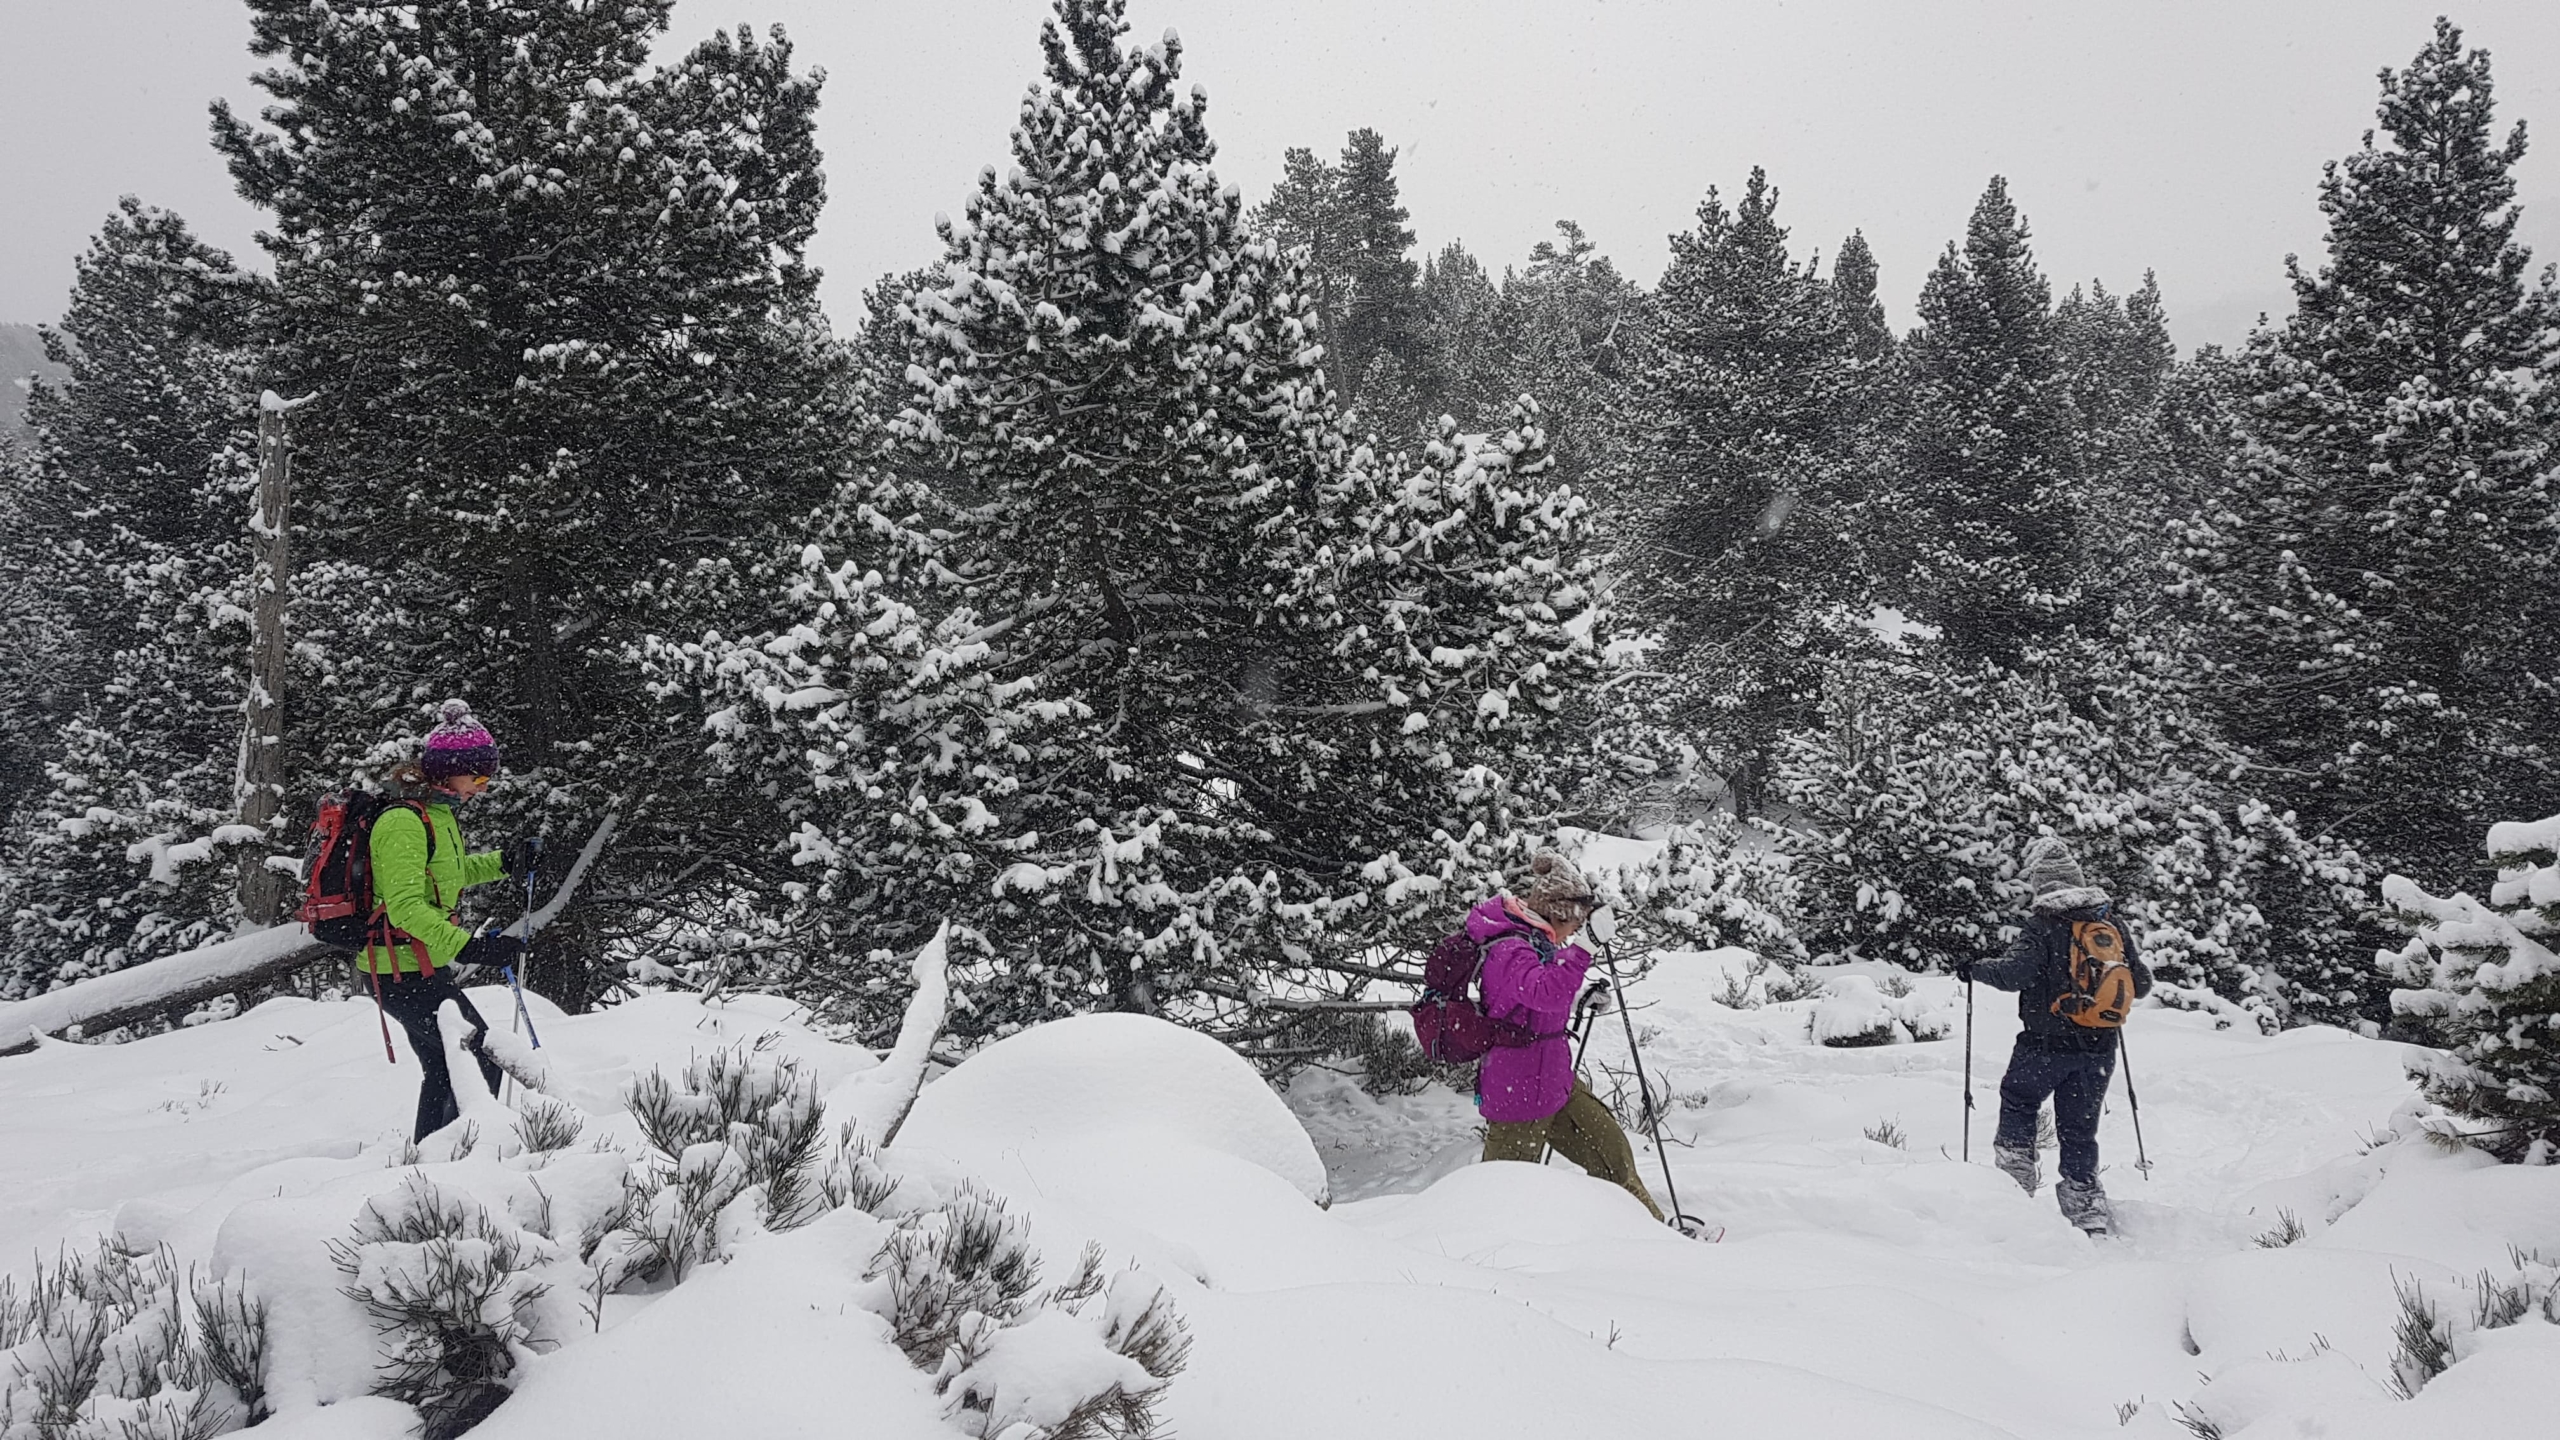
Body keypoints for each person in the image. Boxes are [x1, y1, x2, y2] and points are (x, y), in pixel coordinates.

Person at [1961, 836, 2153, 1235]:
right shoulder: (2109, 924)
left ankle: (2012, 1194)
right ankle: (2087, 1213)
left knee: (2020, 1101)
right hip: (2099, 1048)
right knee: (2079, 1128)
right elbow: (2143, 983)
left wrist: (1974, 968)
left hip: (2044, 1046)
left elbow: (2015, 974)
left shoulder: (2042, 925)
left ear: (2041, 886)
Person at [365, 700, 537, 1142]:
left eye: (487, 777)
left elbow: (449, 876)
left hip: (418, 966)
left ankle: (429, 1164)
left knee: (447, 1069)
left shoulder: (436, 815)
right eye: (477, 776)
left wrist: (506, 862)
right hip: (399, 970)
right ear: (447, 772)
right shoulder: (404, 822)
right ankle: (454, 1163)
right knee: (478, 1061)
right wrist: (471, 948)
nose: (483, 786)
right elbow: (405, 906)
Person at [1471, 852, 1665, 1221]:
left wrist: (1578, 997)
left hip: (1554, 1082)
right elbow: (1543, 993)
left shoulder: (1535, 941)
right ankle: (1476, 1264)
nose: (1573, 936)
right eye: (1574, 928)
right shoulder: (1510, 948)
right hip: (1518, 1094)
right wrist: (1586, 948)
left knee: (1612, 1155)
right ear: (1557, 915)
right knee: (1500, 1198)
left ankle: (1657, 1236)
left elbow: (1535, 1000)